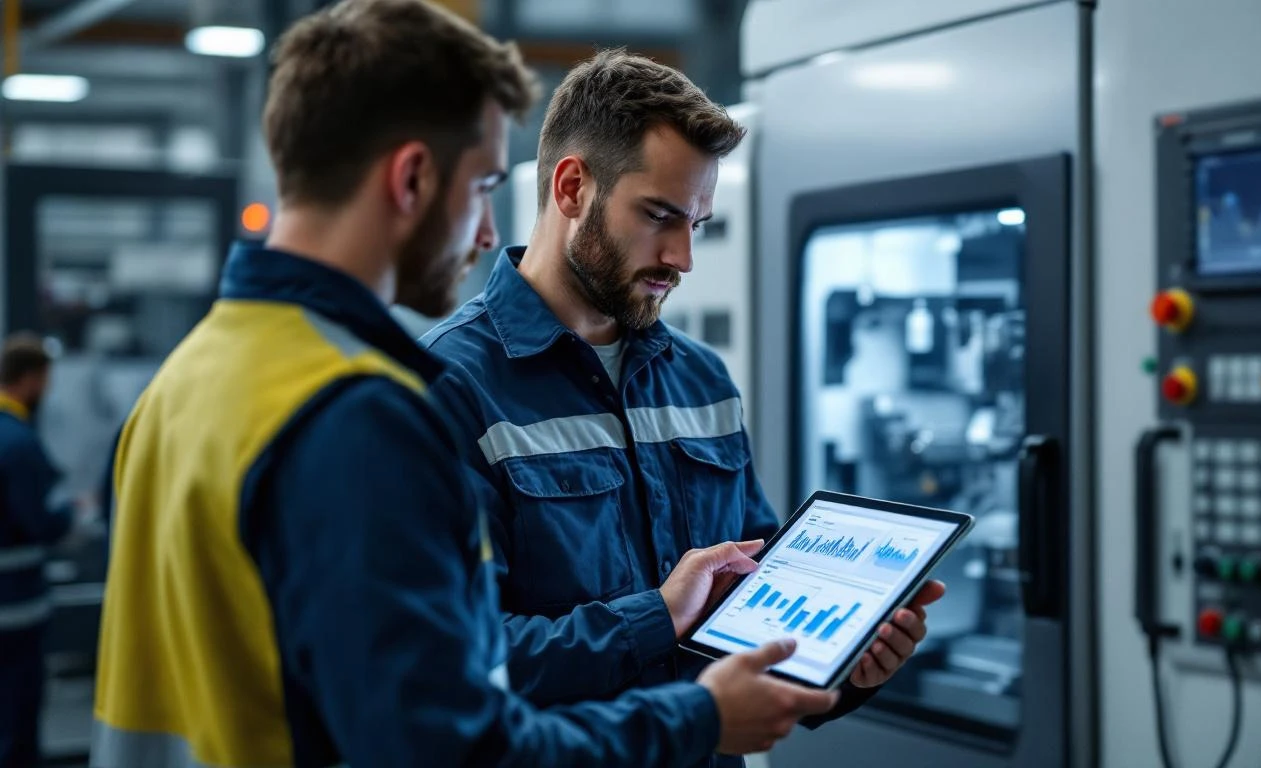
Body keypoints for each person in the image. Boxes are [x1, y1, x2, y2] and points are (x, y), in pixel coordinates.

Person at [91, 3, 837, 767]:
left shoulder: (184, 382)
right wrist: (693, 718)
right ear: (412, 176)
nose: (487, 232)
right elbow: (453, 743)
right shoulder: (360, 411)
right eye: (483, 186)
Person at [421, 49, 947, 767]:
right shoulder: (446, 387)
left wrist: (845, 664)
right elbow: (456, 664)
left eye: (697, 222)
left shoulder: (701, 381)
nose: (683, 256)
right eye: (660, 216)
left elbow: (756, 601)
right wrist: (657, 617)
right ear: (573, 187)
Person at [0, 333, 76, 768]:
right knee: (17, 725)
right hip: (15, 612)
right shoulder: (20, 444)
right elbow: (43, 523)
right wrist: (70, 515)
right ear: (31, 378)